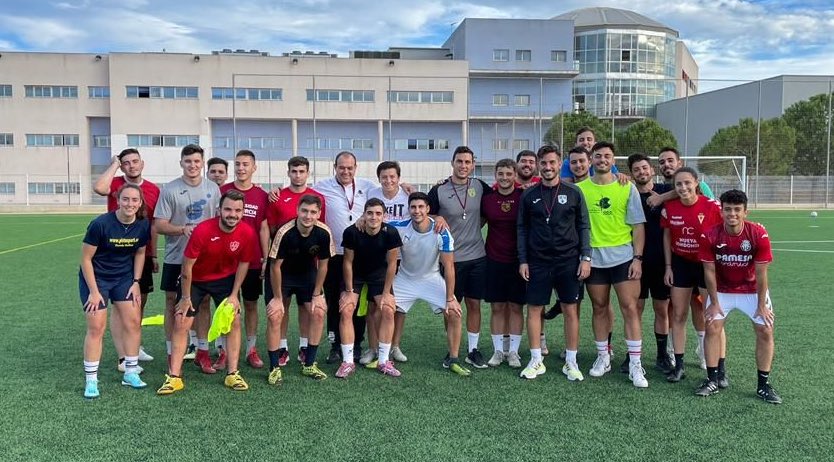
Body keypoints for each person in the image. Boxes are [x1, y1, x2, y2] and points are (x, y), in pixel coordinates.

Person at [156, 190, 255, 394]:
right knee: (182, 319)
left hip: (224, 280)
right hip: (195, 280)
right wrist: (184, 298)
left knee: (234, 319)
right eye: (228, 209)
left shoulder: (247, 232)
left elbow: (244, 263)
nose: (232, 214)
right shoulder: (203, 230)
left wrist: (235, 294)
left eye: (237, 210)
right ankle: (174, 376)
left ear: (243, 212)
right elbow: (187, 266)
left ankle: (232, 373)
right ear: (219, 210)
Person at [695, 189, 781, 404]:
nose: (732, 214)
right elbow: (709, 271)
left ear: (745, 212)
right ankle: (712, 380)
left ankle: (763, 385)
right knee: (712, 327)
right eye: (727, 210)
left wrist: (761, 305)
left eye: (737, 210)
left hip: (751, 290)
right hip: (723, 290)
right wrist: (714, 303)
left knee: (765, 330)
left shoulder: (757, 234)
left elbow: (762, 273)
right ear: (721, 211)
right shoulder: (710, 234)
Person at [575, 141, 649, 388]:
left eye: (607, 156)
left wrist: (637, 258)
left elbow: (638, 226)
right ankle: (603, 357)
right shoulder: (581, 189)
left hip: (623, 258)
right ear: (591, 160)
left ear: (613, 160)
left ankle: (636, 365)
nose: (602, 160)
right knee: (599, 307)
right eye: (598, 156)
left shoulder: (627, 188)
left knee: (629, 308)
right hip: (594, 258)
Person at [517, 148, 591, 380]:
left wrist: (585, 257)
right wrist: (523, 260)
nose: (547, 167)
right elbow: (522, 229)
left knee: (570, 309)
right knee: (535, 309)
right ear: (539, 165)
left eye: (552, 163)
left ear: (560, 164)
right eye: (543, 163)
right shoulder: (529, 195)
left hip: (568, 260)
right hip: (537, 261)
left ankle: (571, 361)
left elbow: (583, 226)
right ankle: (536, 360)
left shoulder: (574, 192)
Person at [154, 144, 220, 374]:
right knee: (173, 302)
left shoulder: (213, 189)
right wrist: (182, 229)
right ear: (181, 163)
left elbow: (221, 221)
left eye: (197, 162)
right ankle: (173, 353)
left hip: (207, 258)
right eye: (188, 161)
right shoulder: (170, 190)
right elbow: (159, 224)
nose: (193, 165)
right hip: (176, 256)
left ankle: (203, 352)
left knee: (202, 303)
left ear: (203, 163)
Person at [79, 184, 151, 398]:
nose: (130, 204)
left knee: (132, 322)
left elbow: (140, 252)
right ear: (118, 200)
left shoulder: (143, 224)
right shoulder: (100, 224)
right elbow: (85, 258)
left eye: (134, 200)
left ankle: (130, 372)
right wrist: (93, 291)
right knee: (96, 326)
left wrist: (136, 281)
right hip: (97, 278)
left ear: (140, 203)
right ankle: (91, 380)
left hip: (123, 278)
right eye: (126, 199)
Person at [92, 148, 160, 369]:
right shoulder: (116, 184)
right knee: (120, 306)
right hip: (116, 253)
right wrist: (114, 164)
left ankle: (134, 345)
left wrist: (154, 253)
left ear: (142, 163)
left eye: (135, 162)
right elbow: (99, 187)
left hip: (142, 251)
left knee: (139, 300)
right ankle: (123, 356)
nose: (131, 166)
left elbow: (153, 225)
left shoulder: (152, 189)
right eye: (126, 163)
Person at [390, 192, 470, 376]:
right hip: (404, 278)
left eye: (421, 207)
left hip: (431, 279)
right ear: (408, 209)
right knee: (387, 309)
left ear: (428, 209)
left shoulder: (441, 231)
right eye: (413, 207)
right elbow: (376, 222)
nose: (416, 211)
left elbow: (449, 267)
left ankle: (453, 358)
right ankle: (389, 350)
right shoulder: (399, 226)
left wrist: (450, 298)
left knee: (455, 312)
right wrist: (363, 218)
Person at [428, 146, 490, 369]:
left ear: (473, 164)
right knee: (451, 305)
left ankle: (473, 350)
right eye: (459, 161)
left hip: (477, 256)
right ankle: (451, 348)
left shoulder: (480, 187)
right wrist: (437, 217)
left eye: (468, 162)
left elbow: (495, 203)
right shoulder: (439, 190)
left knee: (474, 304)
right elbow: (425, 213)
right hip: (450, 259)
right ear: (452, 163)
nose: (463, 166)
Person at [313, 151, 377, 364]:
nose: (346, 171)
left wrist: (407, 187)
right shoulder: (321, 186)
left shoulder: (368, 186)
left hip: (357, 255)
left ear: (356, 168)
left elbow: (390, 192)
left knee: (356, 301)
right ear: (335, 167)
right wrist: (276, 191)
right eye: (342, 167)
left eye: (350, 167)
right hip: (332, 255)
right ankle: (334, 345)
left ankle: (356, 343)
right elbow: (300, 193)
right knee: (333, 301)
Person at [661, 167, 724, 383]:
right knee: (678, 315)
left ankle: (719, 369)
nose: (683, 187)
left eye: (687, 183)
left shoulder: (712, 206)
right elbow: (667, 236)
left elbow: (722, 235)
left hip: (706, 265)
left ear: (696, 183)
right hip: (680, 264)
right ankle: (679, 365)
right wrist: (668, 267)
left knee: (713, 317)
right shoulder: (670, 207)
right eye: (679, 184)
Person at [264, 156, 327, 367]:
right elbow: (270, 228)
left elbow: (319, 230)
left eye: (302, 171)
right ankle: (281, 347)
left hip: (307, 264)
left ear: (308, 173)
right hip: (282, 262)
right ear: (289, 172)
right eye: (294, 171)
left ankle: (304, 346)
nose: (298, 175)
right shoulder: (277, 196)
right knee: (281, 307)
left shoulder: (318, 197)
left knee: (307, 307)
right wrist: (269, 256)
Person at [266, 194, 333, 381]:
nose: (308, 216)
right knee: (275, 314)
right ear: (297, 211)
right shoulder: (284, 232)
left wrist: (318, 293)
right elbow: (275, 266)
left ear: (319, 213)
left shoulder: (324, 232)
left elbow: (324, 264)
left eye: (313, 212)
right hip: (282, 274)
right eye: (304, 211)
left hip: (307, 274)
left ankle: (309, 364)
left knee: (318, 311)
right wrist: (278, 298)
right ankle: (274, 368)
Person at [216, 150, 270, 371]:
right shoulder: (223, 190)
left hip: (252, 259)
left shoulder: (261, 195)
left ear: (254, 167)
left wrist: (266, 257)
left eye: (245, 164)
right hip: (225, 259)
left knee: (250, 304)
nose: (241, 168)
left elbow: (264, 227)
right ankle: (222, 351)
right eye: (237, 164)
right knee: (224, 305)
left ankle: (251, 349)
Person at [337, 198, 403, 377]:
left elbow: (391, 265)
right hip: (356, 276)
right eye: (370, 213)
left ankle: (383, 361)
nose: (374, 217)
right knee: (346, 309)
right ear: (364, 214)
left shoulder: (391, 232)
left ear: (384, 216)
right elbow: (348, 262)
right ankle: (348, 362)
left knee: (389, 309)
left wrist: (387, 292)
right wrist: (349, 292)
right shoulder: (352, 232)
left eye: (378, 213)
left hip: (379, 276)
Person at [628, 154, 676, 374]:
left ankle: (661, 354)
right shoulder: (628, 192)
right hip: (635, 261)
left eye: (645, 168)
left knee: (661, 308)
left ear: (652, 170)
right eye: (636, 169)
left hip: (660, 260)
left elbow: (694, 189)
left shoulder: (665, 190)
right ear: (631, 174)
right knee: (634, 308)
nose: (642, 172)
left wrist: (662, 197)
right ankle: (632, 354)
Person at [481, 159, 526, 368]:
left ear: (515, 175)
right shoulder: (487, 199)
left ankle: (514, 352)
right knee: (497, 307)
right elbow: (477, 222)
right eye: (501, 174)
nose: (505, 178)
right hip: (494, 258)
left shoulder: (524, 196)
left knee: (516, 307)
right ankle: (499, 351)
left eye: (509, 174)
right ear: (496, 175)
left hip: (519, 261)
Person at [364, 161, 410, 365]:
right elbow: (361, 212)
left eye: (392, 176)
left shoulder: (408, 194)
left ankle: (394, 346)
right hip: (374, 257)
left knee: (396, 305)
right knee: (373, 306)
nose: (389, 180)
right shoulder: (371, 193)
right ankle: (373, 347)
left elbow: (425, 211)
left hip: (401, 258)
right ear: (379, 178)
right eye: (384, 177)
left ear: (399, 178)